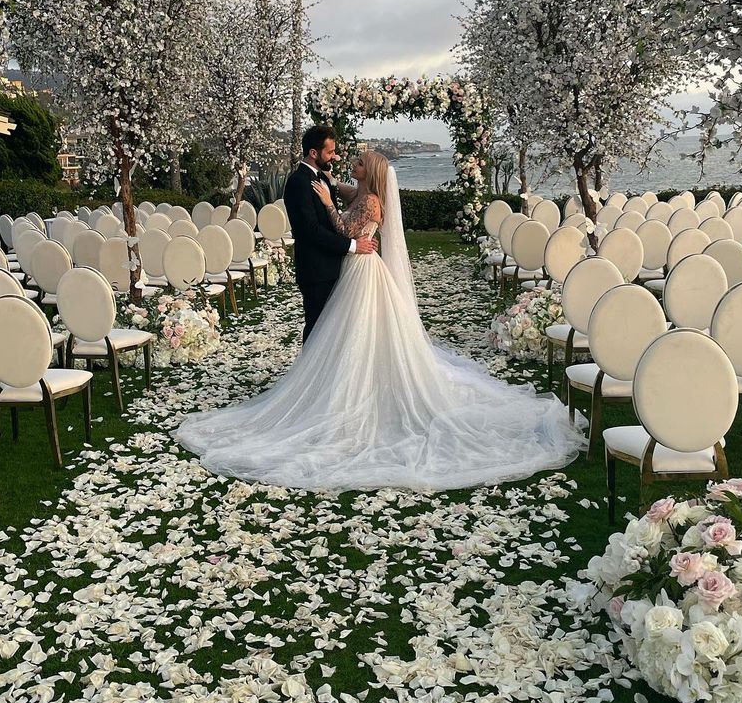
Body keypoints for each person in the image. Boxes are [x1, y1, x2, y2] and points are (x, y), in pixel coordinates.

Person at [175, 148, 582, 491]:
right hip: (358, 269)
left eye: (357, 163)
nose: (351, 165)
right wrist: (330, 184)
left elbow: (343, 228)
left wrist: (328, 202)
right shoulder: (364, 192)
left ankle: (356, 391)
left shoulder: (371, 202)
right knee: (350, 333)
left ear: (368, 172)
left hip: (363, 271)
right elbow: (349, 193)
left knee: (359, 330)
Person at [280, 124, 378, 342]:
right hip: (316, 270)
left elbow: (340, 218)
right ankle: (309, 366)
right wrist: (353, 246)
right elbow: (311, 230)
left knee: (332, 332)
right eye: (330, 152)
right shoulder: (298, 182)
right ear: (314, 153)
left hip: (333, 266)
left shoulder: (322, 178)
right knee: (316, 330)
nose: (335, 156)